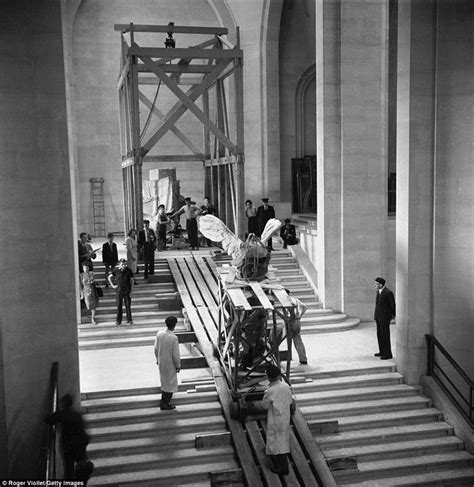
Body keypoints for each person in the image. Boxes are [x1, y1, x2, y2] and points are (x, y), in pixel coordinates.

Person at [45, 393, 93, 483]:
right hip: (80, 444)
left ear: (64, 404)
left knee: (69, 470)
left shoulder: (63, 414)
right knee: (83, 468)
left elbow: (48, 419)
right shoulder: (76, 414)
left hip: (69, 446)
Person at [261, 364, 294, 476]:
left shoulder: (270, 391)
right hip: (285, 417)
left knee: (276, 443)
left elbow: (264, 406)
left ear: (269, 377)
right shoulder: (285, 386)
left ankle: (282, 468)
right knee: (283, 440)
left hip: (275, 419)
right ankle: (282, 465)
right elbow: (290, 401)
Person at [154, 316, 181, 410]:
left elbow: (156, 348)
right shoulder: (174, 338)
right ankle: (164, 403)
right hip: (170, 364)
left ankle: (164, 402)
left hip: (161, 361)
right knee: (170, 384)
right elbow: (176, 355)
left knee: (164, 382)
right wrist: (178, 365)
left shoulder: (159, 334)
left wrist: (157, 359)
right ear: (174, 325)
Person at [373, 277, 396, 360]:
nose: (375, 285)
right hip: (379, 317)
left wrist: (393, 315)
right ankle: (382, 351)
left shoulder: (388, 292)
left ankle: (387, 353)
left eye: (376, 284)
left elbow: (392, 305)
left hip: (385, 317)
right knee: (379, 335)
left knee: (385, 335)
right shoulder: (378, 292)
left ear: (381, 284)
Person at [108, 258, 134, 325]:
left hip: (127, 290)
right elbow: (109, 277)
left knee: (128, 306)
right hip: (119, 291)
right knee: (119, 306)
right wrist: (113, 286)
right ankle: (118, 320)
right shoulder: (116, 270)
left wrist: (131, 291)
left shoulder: (129, 270)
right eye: (122, 264)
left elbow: (132, 281)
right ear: (119, 264)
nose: (124, 265)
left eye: (125, 264)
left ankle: (129, 320)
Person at [287, 290, 308, 364]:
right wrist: (300, 316)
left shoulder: (288, 301)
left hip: (292, 321)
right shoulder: (295, 299)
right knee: (298, 340)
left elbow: (291, 311)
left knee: (290, 338)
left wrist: (293, 317)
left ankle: (288, 357)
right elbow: (305, 307)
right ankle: (303, 359)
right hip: (297, 320)